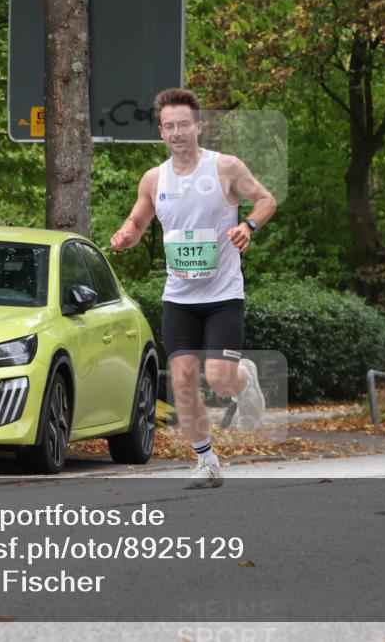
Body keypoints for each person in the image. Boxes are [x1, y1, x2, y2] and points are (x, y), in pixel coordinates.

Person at [110, 88, 278, 488]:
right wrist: (126, 235)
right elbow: (137, 222)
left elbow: (266, 199)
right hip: (179, 297)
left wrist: (248, 225)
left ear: (198, 127)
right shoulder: (154, 179)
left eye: (183, 125)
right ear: (161, 132)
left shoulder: (225, 167)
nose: (176, 133)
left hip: (223, 296)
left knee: (219, 379)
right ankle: (206, 461)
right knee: (183, 380)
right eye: (169, 126)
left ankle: (244, 378)